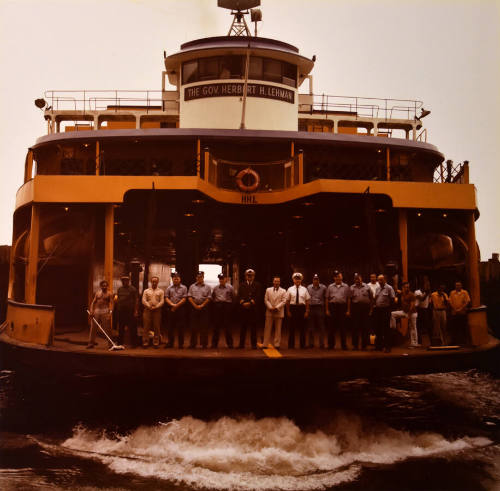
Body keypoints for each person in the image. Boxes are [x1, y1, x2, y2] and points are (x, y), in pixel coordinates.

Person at [325, 271, 351, 350]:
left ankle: (344, 345)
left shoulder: (346, 286)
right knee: (331, 328)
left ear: (342, 277)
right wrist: (327, 310)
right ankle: (331, 345)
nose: (338, 278)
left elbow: (348, 299)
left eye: (339, 276)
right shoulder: (330, 286)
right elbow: (327, 298)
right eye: (336, 276)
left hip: (342, 307)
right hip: (333, 307)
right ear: (334, 278)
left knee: (343, 328)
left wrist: (348, 310)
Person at [237, 269, 262, 349]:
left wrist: (250, 303)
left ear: (254, 276)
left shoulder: (258, 285)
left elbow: (258, 296)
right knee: (243, 328)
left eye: (251, 276)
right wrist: (243, 303)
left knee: (253, 328)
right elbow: (239, 296)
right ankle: (241, 345)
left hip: (253, 309)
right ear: (245, 276)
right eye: (248, 275)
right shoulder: (241, 285)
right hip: (243, 309)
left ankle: (254, 345)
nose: (250, 277)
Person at [390, 281, 420, 348]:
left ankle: (414, 343)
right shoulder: (402, 293)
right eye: (406, 287)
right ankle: (393, 327)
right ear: (403, 288)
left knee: (413, 327)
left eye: (408, 287)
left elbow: (412, 305)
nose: (407, 288)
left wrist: (409, 314)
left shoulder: (411, 294)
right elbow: (396, 290)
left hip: (412, 313)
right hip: (405, 312)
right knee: (392, 314)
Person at [286, 272, 310, 348]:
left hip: (301, 308)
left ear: (301, 280)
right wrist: (288, 311)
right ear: (293, 280)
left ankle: (302, 345)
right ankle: (291, 345)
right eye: (296, 279)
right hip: (293, 308)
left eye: (299, 279)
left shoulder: (304, 289)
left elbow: (307, 301)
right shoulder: (290, 289)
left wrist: (306, 311)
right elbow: (287, 301)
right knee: (291, 328)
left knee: (302, 328)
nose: (297, 281)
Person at [187, 271, 212, 348]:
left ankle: (204, 344)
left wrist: (202, 305)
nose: (199, 278)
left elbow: (209, 298)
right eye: (198, 277)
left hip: (204, 308)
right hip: (194, 308)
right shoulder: (192, 286)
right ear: (196, 277)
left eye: (201, 277)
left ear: (203, 277)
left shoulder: (207, 287)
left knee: (204, 327)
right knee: (193, 327)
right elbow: (189, 297)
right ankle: (193, 344)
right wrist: (195, 305)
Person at [262, 276, 287, 348]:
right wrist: (270, 307)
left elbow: (284, 301)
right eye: (275, 281)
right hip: (269, 311)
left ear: (280, 282)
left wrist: (276, 308)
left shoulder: (283, 291)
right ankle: (265, 344)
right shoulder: (268, 290)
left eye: (278, 281)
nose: (276, 282)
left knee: (278, 329)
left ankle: (277, 344)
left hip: (278, 311)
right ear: (273, 282)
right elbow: (266, 300)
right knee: (267, 328)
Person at [164, 272, 188, 348]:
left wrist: (176, 305)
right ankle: (170, 343)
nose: (176, 279)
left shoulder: (184, 288)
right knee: (170, 327)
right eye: (174, 278)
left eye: (177, 278)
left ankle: (181, 344)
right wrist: (172, 305)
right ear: (172, 279)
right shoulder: (169, 288)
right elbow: (166, 298)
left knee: (181, 327)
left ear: (180, 279)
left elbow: (184, 298)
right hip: (171, 309)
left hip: (180, 309)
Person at [373, 274, 396, 352]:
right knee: (378, 329)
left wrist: (389, 309)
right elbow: (375, 298)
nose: (379, 281)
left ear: (385, 280)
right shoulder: (377, 288)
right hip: (378, 310)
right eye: (378, 280)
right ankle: (378, 346)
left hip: (386, 310)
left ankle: (387, 347)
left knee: (386, 329)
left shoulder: (389, 288)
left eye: (381, 280)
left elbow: (392, 299)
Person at [211, 273, 234, 348]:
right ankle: (214, 344)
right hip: (218, 306)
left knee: (228, 326)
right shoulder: (215, 288)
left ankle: (230, 344)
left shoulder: (230, 287)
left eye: (222, 278)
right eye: (220, 279)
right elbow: (213, 297)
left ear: (226, 279)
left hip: (227, 306)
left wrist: (230, 307)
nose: (221, 280)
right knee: (216, 326)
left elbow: (233, 297)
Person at [350, 273, 372, 350]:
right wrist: (349, 310)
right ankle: (355, 346)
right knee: (355, 328)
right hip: (355, 309)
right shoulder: (351, 287)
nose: (357, 280)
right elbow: (349, 299)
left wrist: (371, 309)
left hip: (365, 309)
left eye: (358, 279)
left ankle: (364, 346)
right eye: (356, 279)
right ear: (354, 280)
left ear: (361, 279)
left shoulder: (367, 287)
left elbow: (371, 298)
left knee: (365, 328)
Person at [88, 279, 113, 348]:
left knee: (107, 328)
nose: (104, 287)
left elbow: (111, 304)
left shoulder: (109, 294)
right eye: (103, 286)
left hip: (105, 311)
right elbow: (93, 302)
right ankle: (91, 343)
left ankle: (110, 343)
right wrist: (91, 310)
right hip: (97, 311)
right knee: (93, 328)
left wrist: (110, 313)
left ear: (107, 286)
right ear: (101, 286)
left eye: (105, 286)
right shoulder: (97, 293)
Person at [115, 275, 139, 347]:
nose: (125, 281)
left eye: (126, 280)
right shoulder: (119, 289)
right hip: (121, 311)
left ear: (129, 281)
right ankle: (120, 343)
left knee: (133, 328)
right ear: (122, 281)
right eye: (123, 280)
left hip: (130, 311)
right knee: (121, 328)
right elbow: (118, 299)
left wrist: (135, 311)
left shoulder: (133, 289)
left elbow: (136, 300)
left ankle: (134, 344)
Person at [142, 276, 164, 348]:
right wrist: (149, 306)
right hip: (147, 310)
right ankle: (145, 342)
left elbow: (162, 301)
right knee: (146, 327)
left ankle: (156, 342)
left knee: (156, 327)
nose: (154, 283)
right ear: (151, 282)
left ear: (158, 282)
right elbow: (143, 300)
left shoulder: (161, 291)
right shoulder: (146, 291)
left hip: (157, 311)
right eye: (153, 281)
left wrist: (156, 307)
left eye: (156, 281)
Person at [306, 274, 327, 348]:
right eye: (314, 279)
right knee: (311, 326)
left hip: (320, 308)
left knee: (321, 327)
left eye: (317, 279)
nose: (316, 280)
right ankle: (311, 343)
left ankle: (321, 344)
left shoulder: (324, 287)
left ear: (319, 280)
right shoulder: (308, 287)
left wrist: (325, 309)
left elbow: (326, 298)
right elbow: (307, 299)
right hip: (311, 307)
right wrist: (307, 309)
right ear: (312, 280)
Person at [449, 281, 471, 345]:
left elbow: (467, 301)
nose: (457, 286)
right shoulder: (452, 292)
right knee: (454, 327)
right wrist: (454, 309)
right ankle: (454, 341)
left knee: (463, 327)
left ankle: (464, 341)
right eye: (456, 285)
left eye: (459, 285)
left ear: (461, 286)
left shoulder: (465, 292)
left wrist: (460, 309)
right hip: (454, 312)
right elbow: (450, 301)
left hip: (462, 312)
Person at [415, 278, 431, 344]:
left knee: (427, 325)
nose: (426, 286)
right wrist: (427, 293)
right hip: (419, 309)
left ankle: (430, 341)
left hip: (425, 310)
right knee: (419, 326)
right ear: (422, 286)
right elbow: (422, 299)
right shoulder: (417, 292)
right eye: (425, 285)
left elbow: (429, 301)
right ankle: (419, 341)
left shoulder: (426, 292)